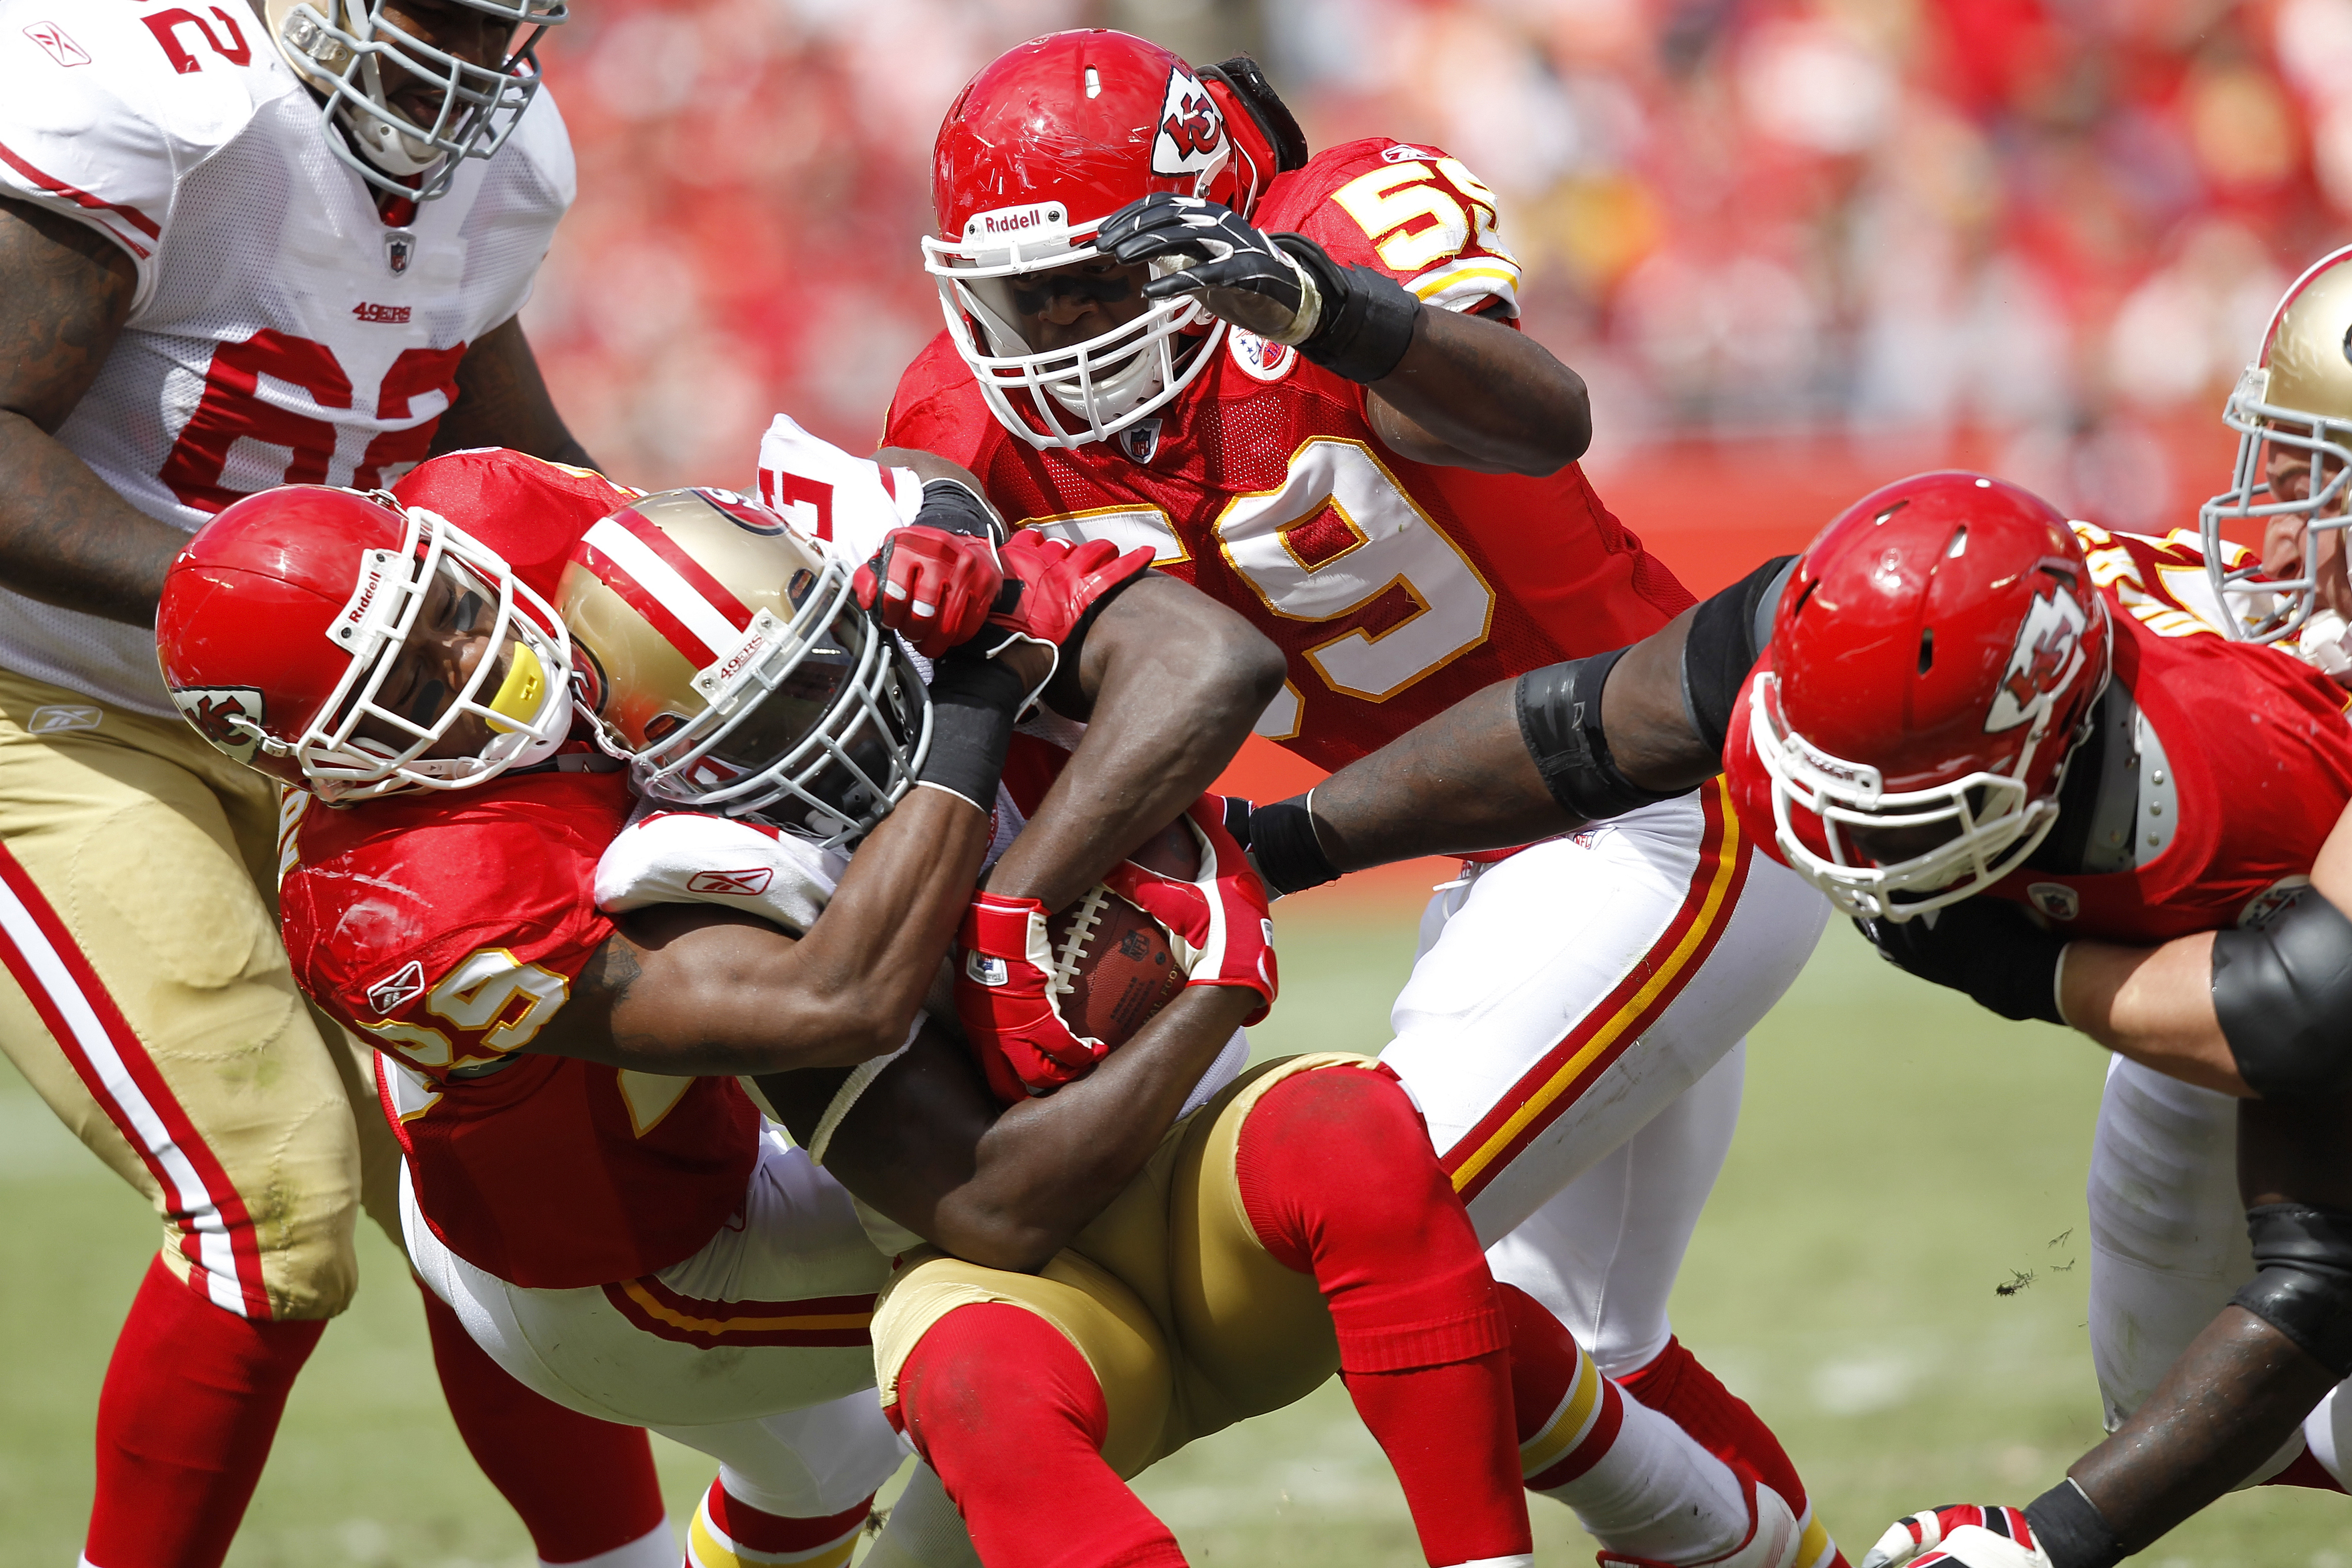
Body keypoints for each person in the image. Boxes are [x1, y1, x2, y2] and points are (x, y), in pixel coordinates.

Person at [150, 442, 1574, 1568]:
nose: (479, 661)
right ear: (312, 759)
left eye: (453, 610)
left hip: (709, 1128)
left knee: (828, 1470)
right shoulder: (410, 894)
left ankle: (1682, 1504)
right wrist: (981, 724)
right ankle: (1683, 1502)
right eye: (412, 681)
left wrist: (933, 542)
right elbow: (840, 999)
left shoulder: (497, 514)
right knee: (1131, 1268)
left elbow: (864, 506)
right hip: (629, 1258)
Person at [860, 30, 1837, 1568]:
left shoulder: (1334, 236)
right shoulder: (972, 414)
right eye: (1011, 294)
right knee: (1559, 1331)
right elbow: (939, 529)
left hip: (1655, 805)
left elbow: (1540, 413)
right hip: (1497, 855)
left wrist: (1334, 313)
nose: (1043, 331)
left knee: (1353, 1232)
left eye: (1085, 283)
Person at [1232, 467, 2352, 1568]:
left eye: (1901, 803)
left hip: (2275, 968)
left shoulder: (2256, 798)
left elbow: (2314, 1237)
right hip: (2229, 981)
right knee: (2175, 1398)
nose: (1850, 836)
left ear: (2043, 743)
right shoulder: (1841, 625)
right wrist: (1274, 849)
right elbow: (1583, 727)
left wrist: (2046, 1543)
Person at [0, 2, 679, 1563]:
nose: (462, 55)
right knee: (270, 1211)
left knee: (499, 1205)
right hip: (48, 701)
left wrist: (670, 580)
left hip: (314, 717)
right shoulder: (153, 98)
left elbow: (491, 438)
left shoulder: (501, 162)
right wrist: (270, 588)